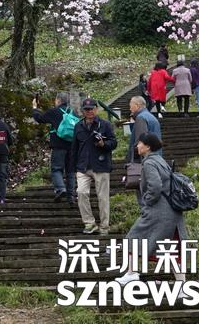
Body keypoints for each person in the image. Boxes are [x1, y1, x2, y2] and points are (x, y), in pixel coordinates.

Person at [115, 133, 188, 295]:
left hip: (159, 212)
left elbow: (155, 186)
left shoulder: (149, 163)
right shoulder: (160, 160)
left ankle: (132, 274)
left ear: (147, 146)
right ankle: (182, 287)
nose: (137, 146)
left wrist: (147, 200)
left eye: (139, 143)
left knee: (133, 238)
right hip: (171, 212)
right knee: (170, 250)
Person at [71, 98, 117, 235]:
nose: (89, 111)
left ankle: (104, 226)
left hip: (101, 165)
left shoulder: (105, 124)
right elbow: (74, 148)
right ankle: (89, 222)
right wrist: (73, 168)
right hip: (83, 166)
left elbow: (114, 142)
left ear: (96, 109)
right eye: (86, 109)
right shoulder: (78, 126)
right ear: (83, 111)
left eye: (91, 109)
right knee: (81, 192)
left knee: (103, 197)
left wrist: (104, 144)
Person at [33, 91, 77, 204]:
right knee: (71, 171)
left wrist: (35, 107)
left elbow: (39, 118)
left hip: (58, 146)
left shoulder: (54, 111)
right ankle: (71, 196)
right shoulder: (74, 113)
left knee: (56, 168)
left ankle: (60, 189)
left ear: (58, 100)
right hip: (72, 146)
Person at [126, 96, 161, 207]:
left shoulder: (141, 118)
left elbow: (141, 142)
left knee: (143, 194)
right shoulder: (150, 117)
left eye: (131, 106)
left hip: (144, 161)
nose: (130, 108)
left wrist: (132, 160)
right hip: (155, 157)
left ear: (137, 105)